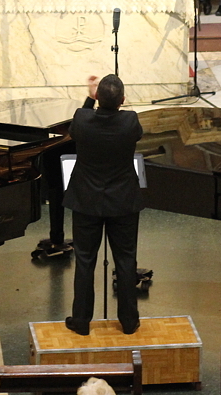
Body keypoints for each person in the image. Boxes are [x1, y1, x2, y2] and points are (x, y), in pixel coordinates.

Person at [65, 73, 144, 336]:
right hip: (123, 201)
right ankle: (129, 321)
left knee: (85, 260)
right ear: (123, 100)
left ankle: (81, 321)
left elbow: (74, 131)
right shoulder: (130, 121)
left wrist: (89, 99)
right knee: (125, 260)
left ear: (97, 97)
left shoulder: (82, 118)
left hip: (86, 200)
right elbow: (138, 135)